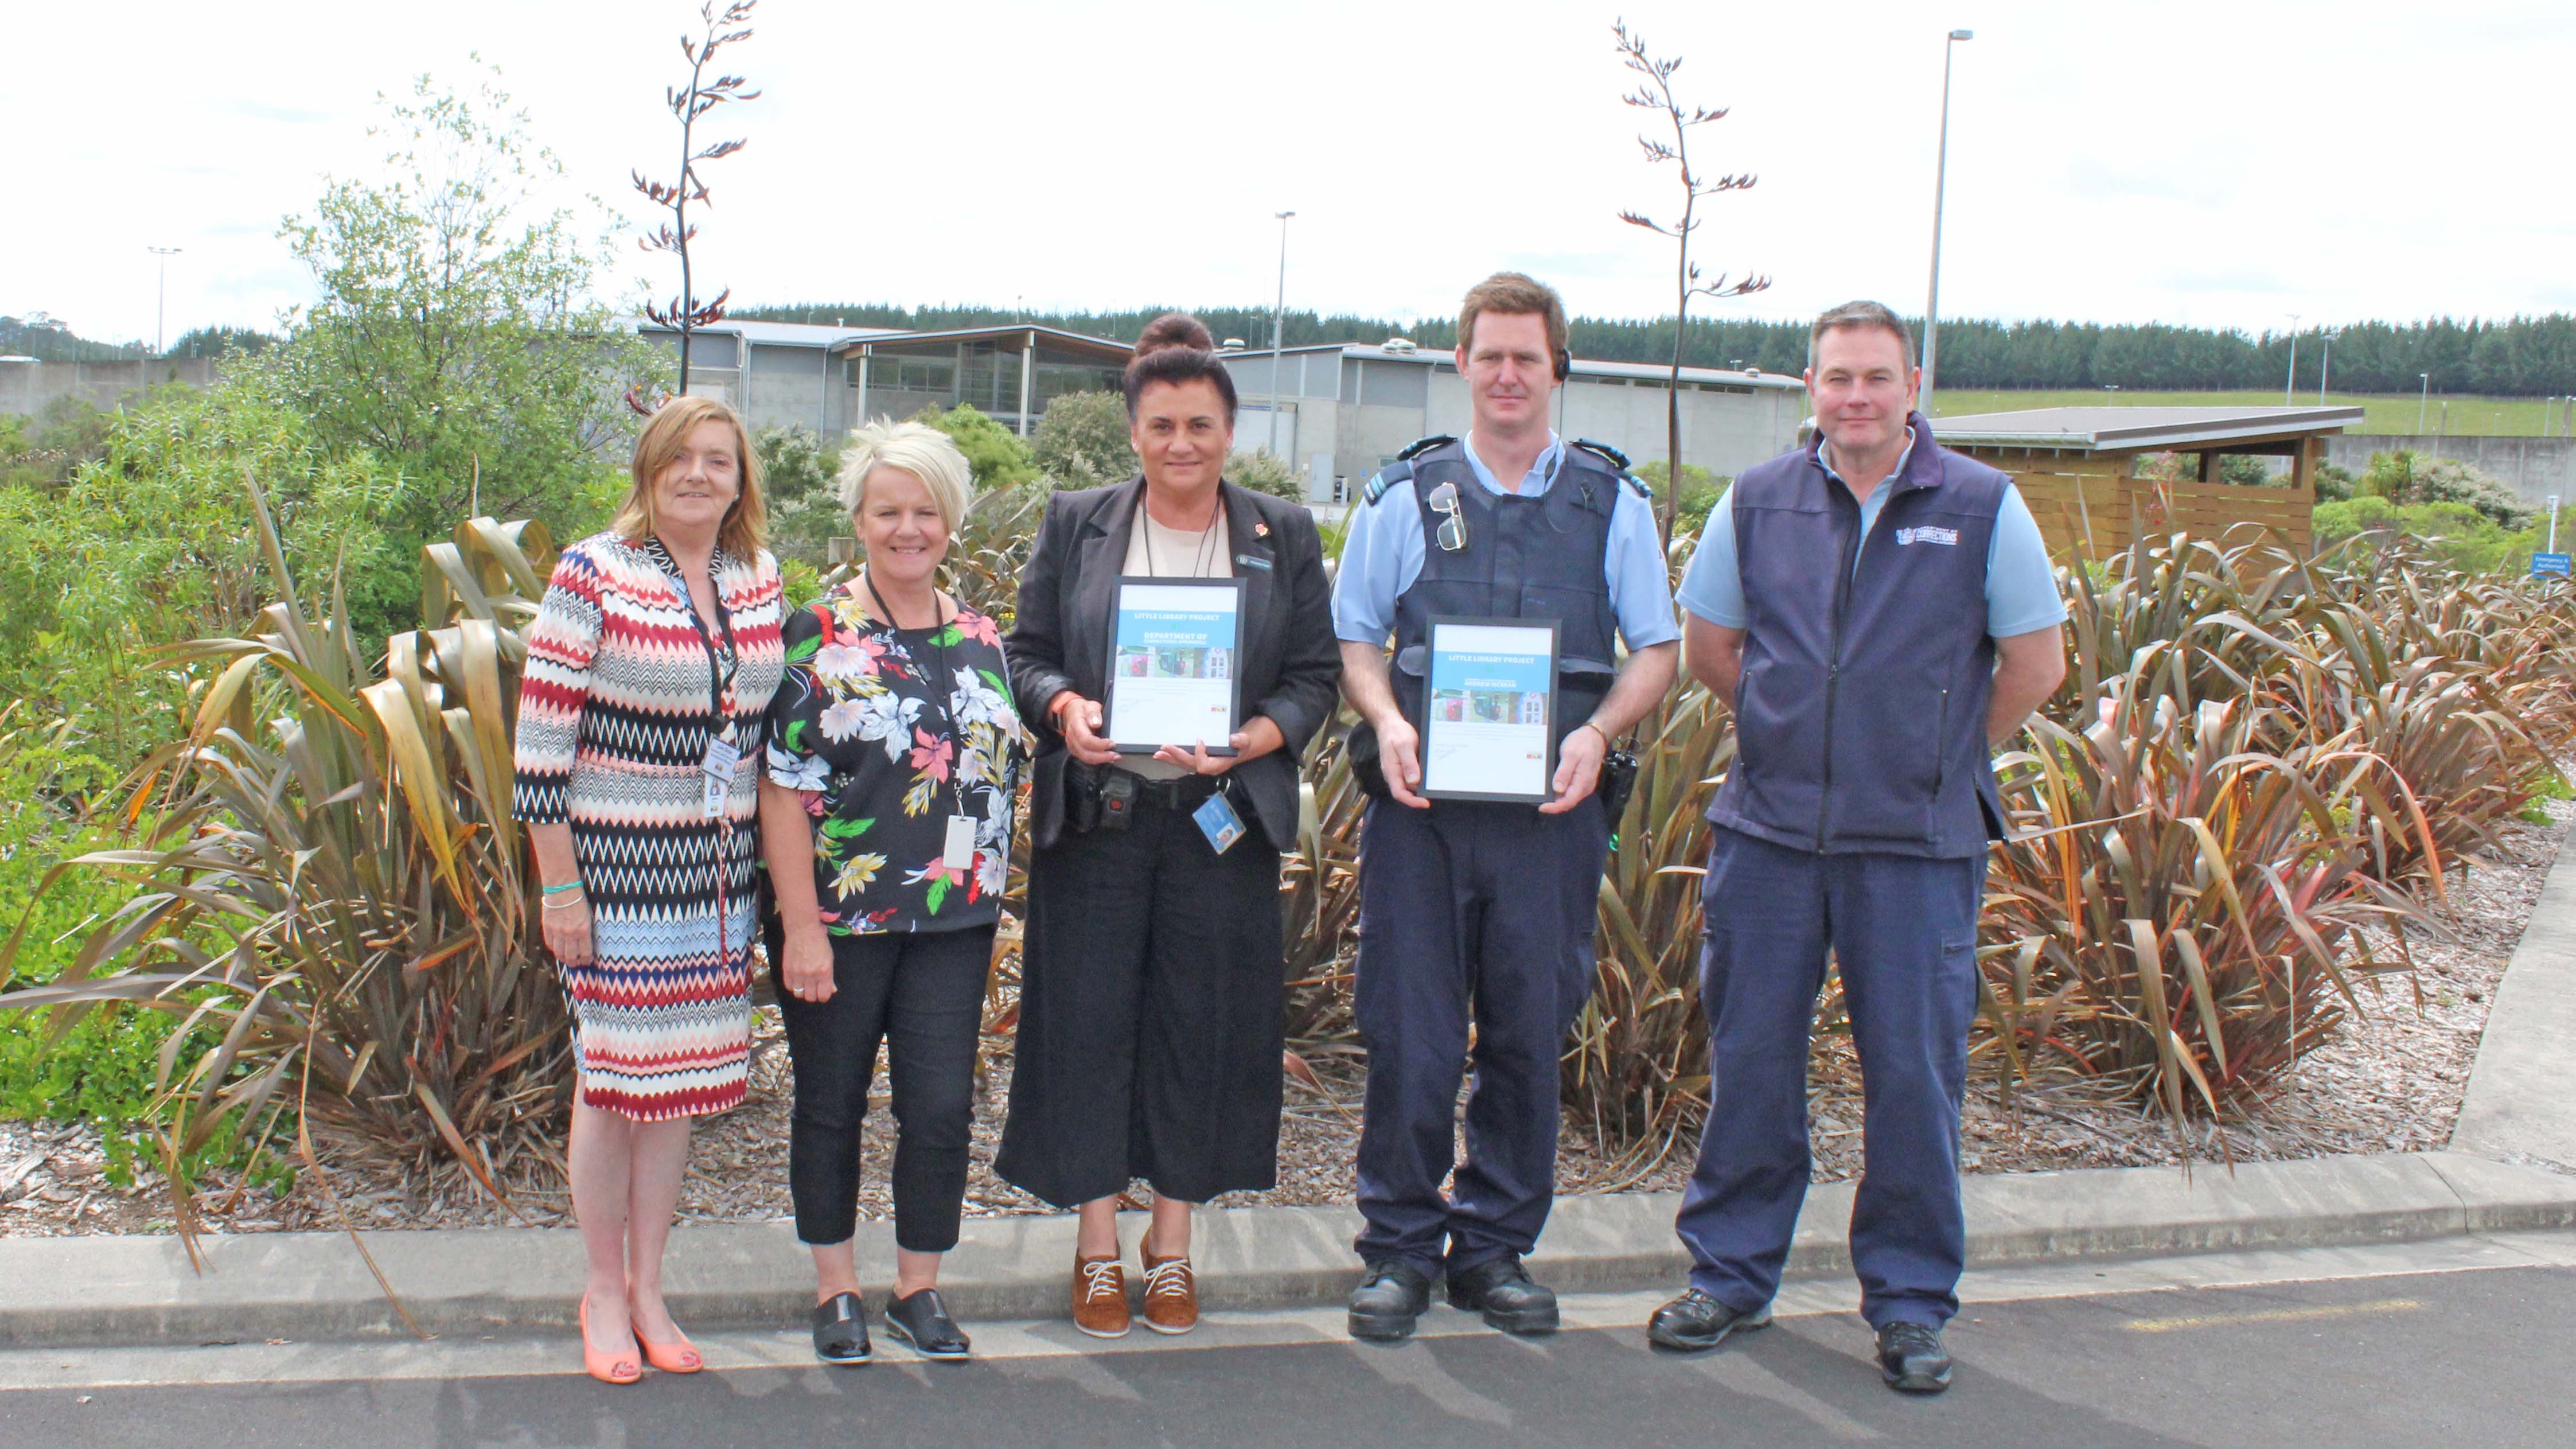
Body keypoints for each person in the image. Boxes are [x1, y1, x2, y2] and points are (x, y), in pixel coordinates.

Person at [1650, 301, 2068, 1395]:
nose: (1857, 397)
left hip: (1917, 849)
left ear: (1913, 384)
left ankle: (1912, 1302)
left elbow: (2036, 661)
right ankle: (1732, 1274)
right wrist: (1797, 733)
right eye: (1838, 377)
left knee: (1914, 1079)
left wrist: (1937, 755)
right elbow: (1710, 647)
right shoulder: (1757, 501)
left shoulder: (1982, 504)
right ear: (1811, 386)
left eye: (1877, 377)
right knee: (1752, 1065)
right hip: (1772, 836)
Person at [1332, 273, 1679, 1341]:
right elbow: (1357, 638)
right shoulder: (1404, 496)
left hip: (1551, 814)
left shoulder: (1611, 503)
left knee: (1531, 1027)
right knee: (1412, 1032)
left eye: (1529, 355)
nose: (1509, 374)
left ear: (1557, 366)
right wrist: (1389, 720)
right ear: (1463, 365)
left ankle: (1495, 1249)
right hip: (1422, 811)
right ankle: (1398, 1249)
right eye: (1490, 354)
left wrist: (1599, 730)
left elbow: (1657, 651)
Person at [999, 312, 1340, 1339]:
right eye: (1161, 425)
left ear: (1229, 429)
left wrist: (1254, 736)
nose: (1181, 444)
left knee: (1202, 1026)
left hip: (1218, 818)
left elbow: (1315, 678)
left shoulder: (1283, 533)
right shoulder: (1080, 521)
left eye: (1200, 424)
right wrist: (1065, 708)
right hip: (1103, 813)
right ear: (1134, 431)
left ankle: (1173, 1243)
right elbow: (1026, 654)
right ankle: (1099, 1247)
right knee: (1089, 1022)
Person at [513, 395, 785, 1385]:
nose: (699, 474)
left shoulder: (758, 577)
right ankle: (600, 1286)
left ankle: (650, 1285)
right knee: (612, 1079)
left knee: (672, 1090)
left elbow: (760, 735)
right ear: (648, 469)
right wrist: (560, 889)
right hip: (615, 872)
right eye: (680, 458)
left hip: (715, 878)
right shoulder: (593, 572)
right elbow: (540, 746)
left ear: (740, 477)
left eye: (719, 459)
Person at [759, 420, 1024, 1365]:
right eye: (888, 512)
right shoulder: (819, 633)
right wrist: (800, 926)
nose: (907, 529)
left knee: (941, 1106)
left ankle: (918, 1285)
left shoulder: (985, 636)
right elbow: (783, 787)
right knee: (830, 1103)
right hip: (841, 918)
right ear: (859, 522)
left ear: (950, 520)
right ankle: (837, 1288)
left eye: (926, 511)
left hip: (956, 918)